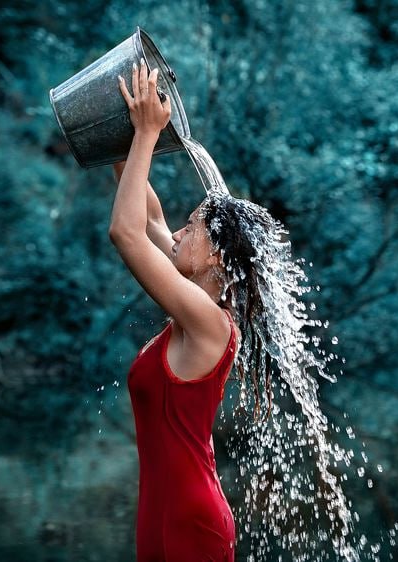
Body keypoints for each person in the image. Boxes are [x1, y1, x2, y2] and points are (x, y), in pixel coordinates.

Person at [110, 58, 286, 561]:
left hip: (191, 521)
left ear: (217, 257)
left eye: (193, 228)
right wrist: (124, 128)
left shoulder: (211, 325)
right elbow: (145, 214)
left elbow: (124, 233)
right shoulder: (192, 305)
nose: (180, 233)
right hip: (162, 514)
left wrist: (147, 134)